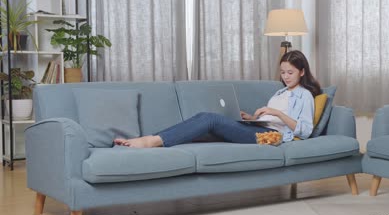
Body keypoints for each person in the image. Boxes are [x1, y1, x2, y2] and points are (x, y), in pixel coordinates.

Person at [114, 50, 322, 148]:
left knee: (211, 119)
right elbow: (269, 120)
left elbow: (304, 131)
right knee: (204, 120)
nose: (285, 77)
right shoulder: (279, 92)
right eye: (283, 72)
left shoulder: (304, 95)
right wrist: (250, 117)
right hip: (260, 129)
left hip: (273, 138)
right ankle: (150, 139)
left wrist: (276, 112)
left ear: (302, 72)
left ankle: (149, 141)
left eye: (290, 73)